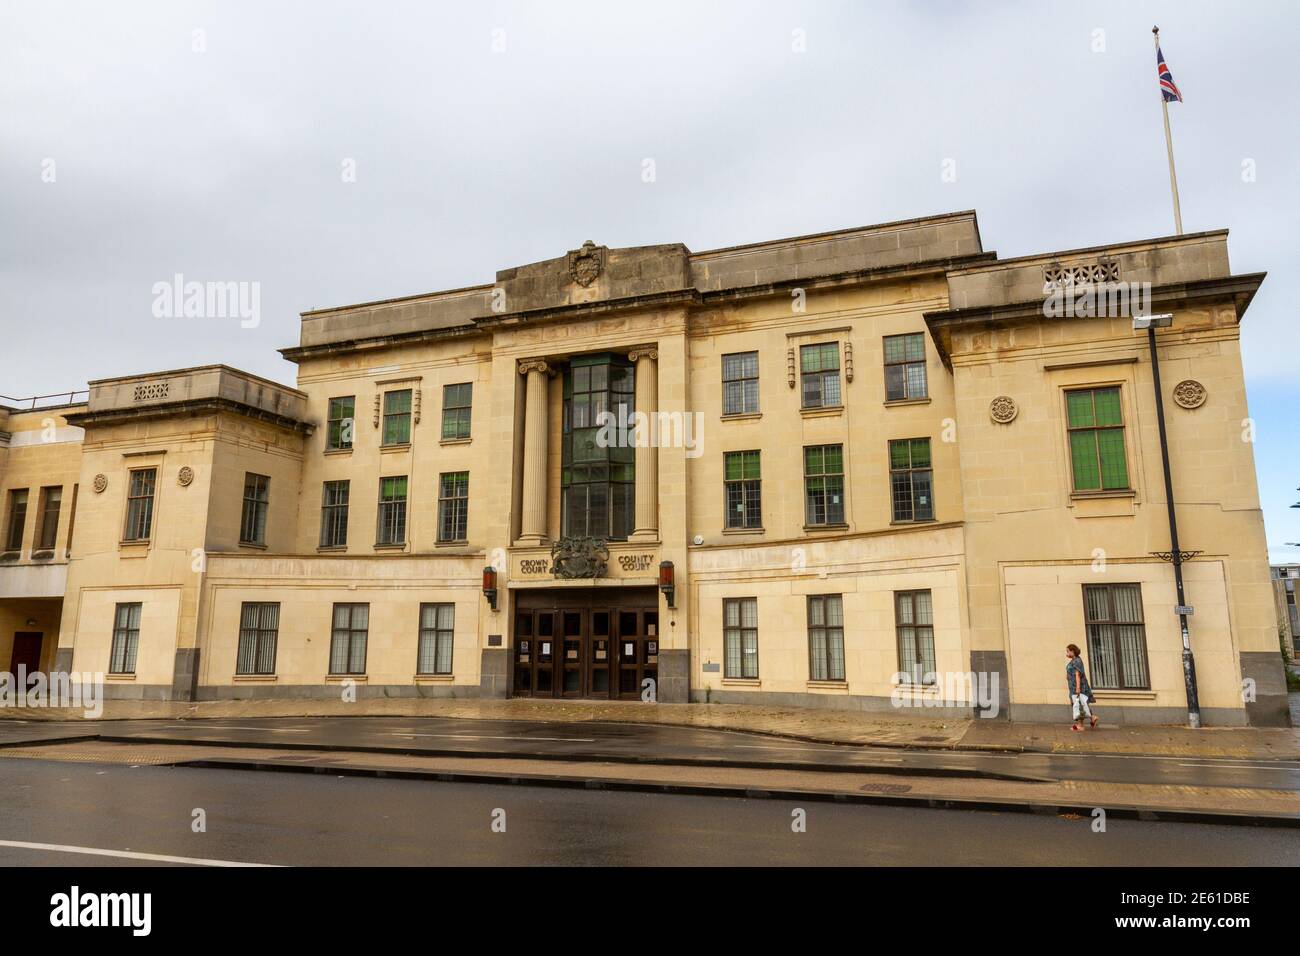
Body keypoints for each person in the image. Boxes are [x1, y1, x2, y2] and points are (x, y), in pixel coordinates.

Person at [1066, 644, 1098, 731]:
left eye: (1068, 651)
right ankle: (1092, 717)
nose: (1067, 653)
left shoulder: (1077, 661)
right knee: (1081, 704)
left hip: (1077, 687)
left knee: (1078, 704)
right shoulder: (1074, 661)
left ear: (1073, 651)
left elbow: (1078, 675)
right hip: (1073, 686)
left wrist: (1078, 688)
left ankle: (1080, 725)